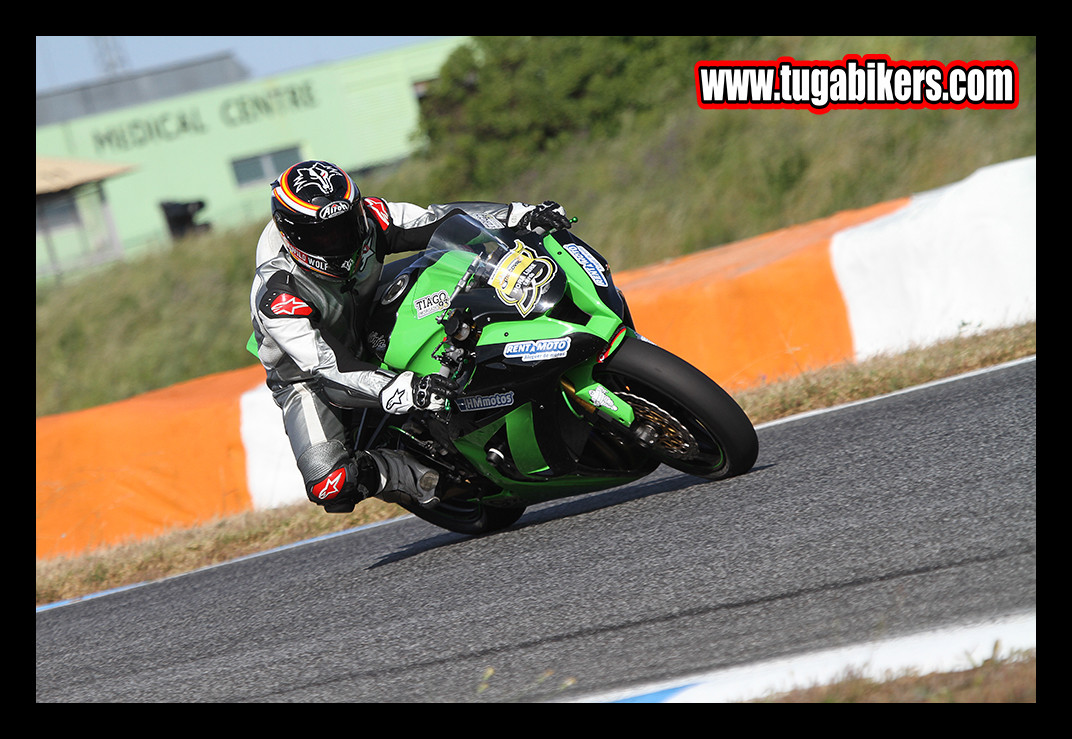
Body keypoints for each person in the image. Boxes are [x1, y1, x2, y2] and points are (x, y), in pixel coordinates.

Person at [249, 160, 571, 513]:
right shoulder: (277, 295)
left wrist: (517, 215)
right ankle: (408, 476)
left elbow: (440, 219)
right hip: (310, 376)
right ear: (291, 235)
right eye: (324, 236)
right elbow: (329, 365)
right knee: (330, 485)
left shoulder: (370, 217)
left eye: (346, 226)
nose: (340, 240)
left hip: (370, 304)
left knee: (458, 270)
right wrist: (399, 387)